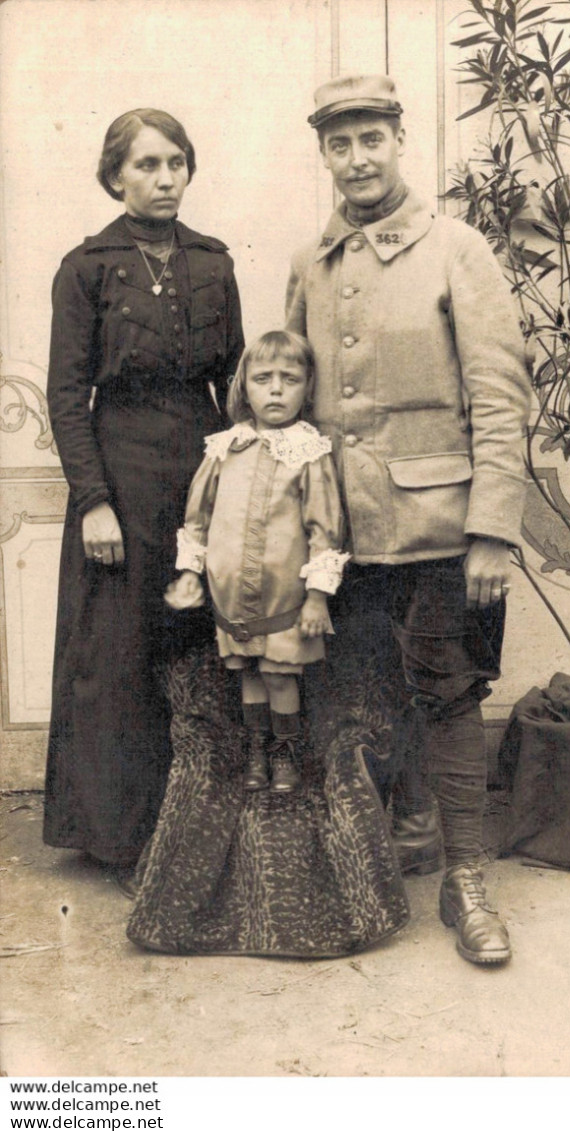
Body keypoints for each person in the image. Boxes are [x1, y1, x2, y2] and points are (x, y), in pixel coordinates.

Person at [286, 75, 531, 965]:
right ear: (325, 156)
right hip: (342, 537)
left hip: (439, 529)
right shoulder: (311, 264)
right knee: (355, 696)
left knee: (451, 692)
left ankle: (466, 881)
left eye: (371, 139)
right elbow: (294, 409)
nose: (357, 159)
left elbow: (501, 396)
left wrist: (493, 528)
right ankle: (370, 865)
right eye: (339, 144)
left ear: (399, 140)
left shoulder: (456, 249)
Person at [44, 108, 245, 891]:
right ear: (115, 175)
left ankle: (197, 828)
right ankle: (120, 840)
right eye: (148, 165)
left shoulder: (214, 261)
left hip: (198, 465)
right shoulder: (85, 267)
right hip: (120, 468)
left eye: (177, 164)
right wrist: (94, 500)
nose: (166, 179)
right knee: (119, 657)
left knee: (195, 646)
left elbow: (236, 384)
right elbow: (67, 396)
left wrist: (239, 481)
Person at [165, 330, 349, 794]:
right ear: (244, 385)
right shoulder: (225, 448)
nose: (276, 389)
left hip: (284, 597)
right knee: (248, 668)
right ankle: (257, 748)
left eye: (290, 379)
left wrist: (316, 599)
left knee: (278, 672)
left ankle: (285, 753)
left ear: (308, 388)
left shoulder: (310, 452)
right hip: (233, 598)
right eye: (263, 378)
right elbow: (197, 518)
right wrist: (190, 572)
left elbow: (324, 531)